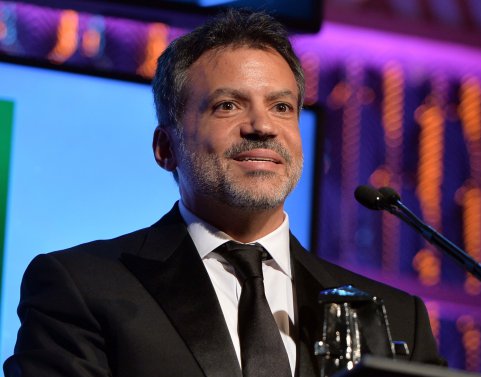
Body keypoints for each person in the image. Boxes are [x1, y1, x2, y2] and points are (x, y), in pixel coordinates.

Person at [3, 9, 443, 377]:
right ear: (166, 148)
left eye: (282, 107)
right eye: (227, 105)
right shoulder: (82, 287)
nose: (263, 126)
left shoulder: (397, 316)